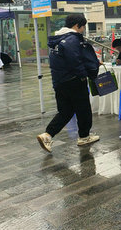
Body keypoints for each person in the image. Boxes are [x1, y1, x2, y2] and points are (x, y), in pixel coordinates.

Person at [37, 14, 100, 153]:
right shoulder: (72, 40)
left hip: (59, 81)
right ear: (77, 25)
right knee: (83, 110)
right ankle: (84, 137)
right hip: (74, 81)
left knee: (65, 111)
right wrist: (84, 75)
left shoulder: (58, 40)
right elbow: (75, 62)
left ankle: (47, 135)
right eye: (83, 27)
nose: (83, 30)